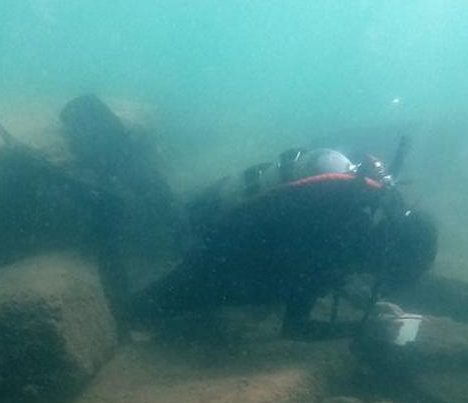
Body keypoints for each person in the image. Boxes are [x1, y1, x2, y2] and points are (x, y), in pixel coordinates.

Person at [131, 145, 437, 340]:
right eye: (385, 274)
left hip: (219, 207)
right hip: (217, 251)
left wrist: (366, 305)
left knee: (162, 221)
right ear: (387, 253)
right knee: (145, 306)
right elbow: (296, 327)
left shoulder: (354, 208)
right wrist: (362, 329)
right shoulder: (332, 242)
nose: (375, 279)